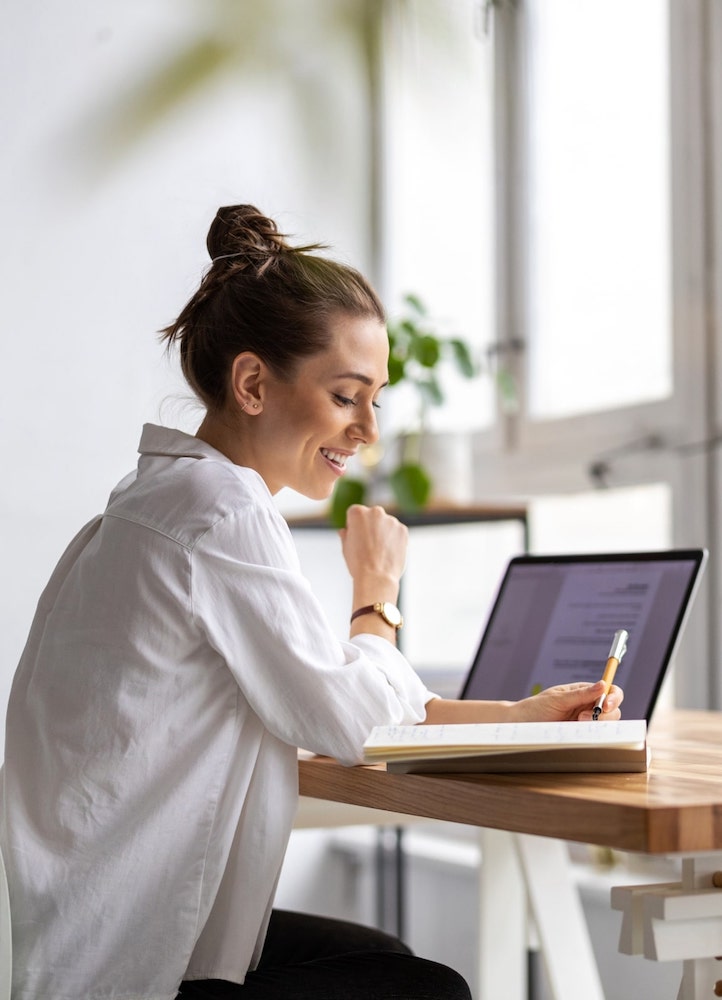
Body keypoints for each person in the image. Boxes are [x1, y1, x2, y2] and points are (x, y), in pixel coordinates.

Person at [0, 205, 623, 1000]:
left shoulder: (160, 498)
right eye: (346, 396)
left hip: (77, 926)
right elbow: (353, 720)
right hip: (124, 959)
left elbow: (335, 691)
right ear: (253, 382)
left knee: (385, 958)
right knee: (425, 989)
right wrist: (378, 593)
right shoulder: (220, 512)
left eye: (377, 400)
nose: (367, 428)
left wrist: (519, 716)